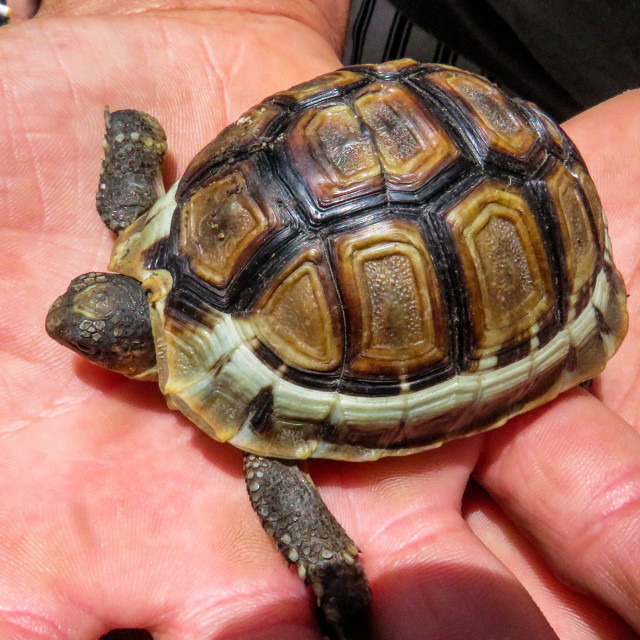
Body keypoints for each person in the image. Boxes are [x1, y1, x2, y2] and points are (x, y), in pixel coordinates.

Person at [1, 2, 638, 638]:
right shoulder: (169, 224)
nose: (68, 327)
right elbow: (135, 152)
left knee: (268, 454)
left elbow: (273, 463)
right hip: (445, 98)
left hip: (493, 165)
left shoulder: (186, 297)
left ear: (133, 354)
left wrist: (331, 572)